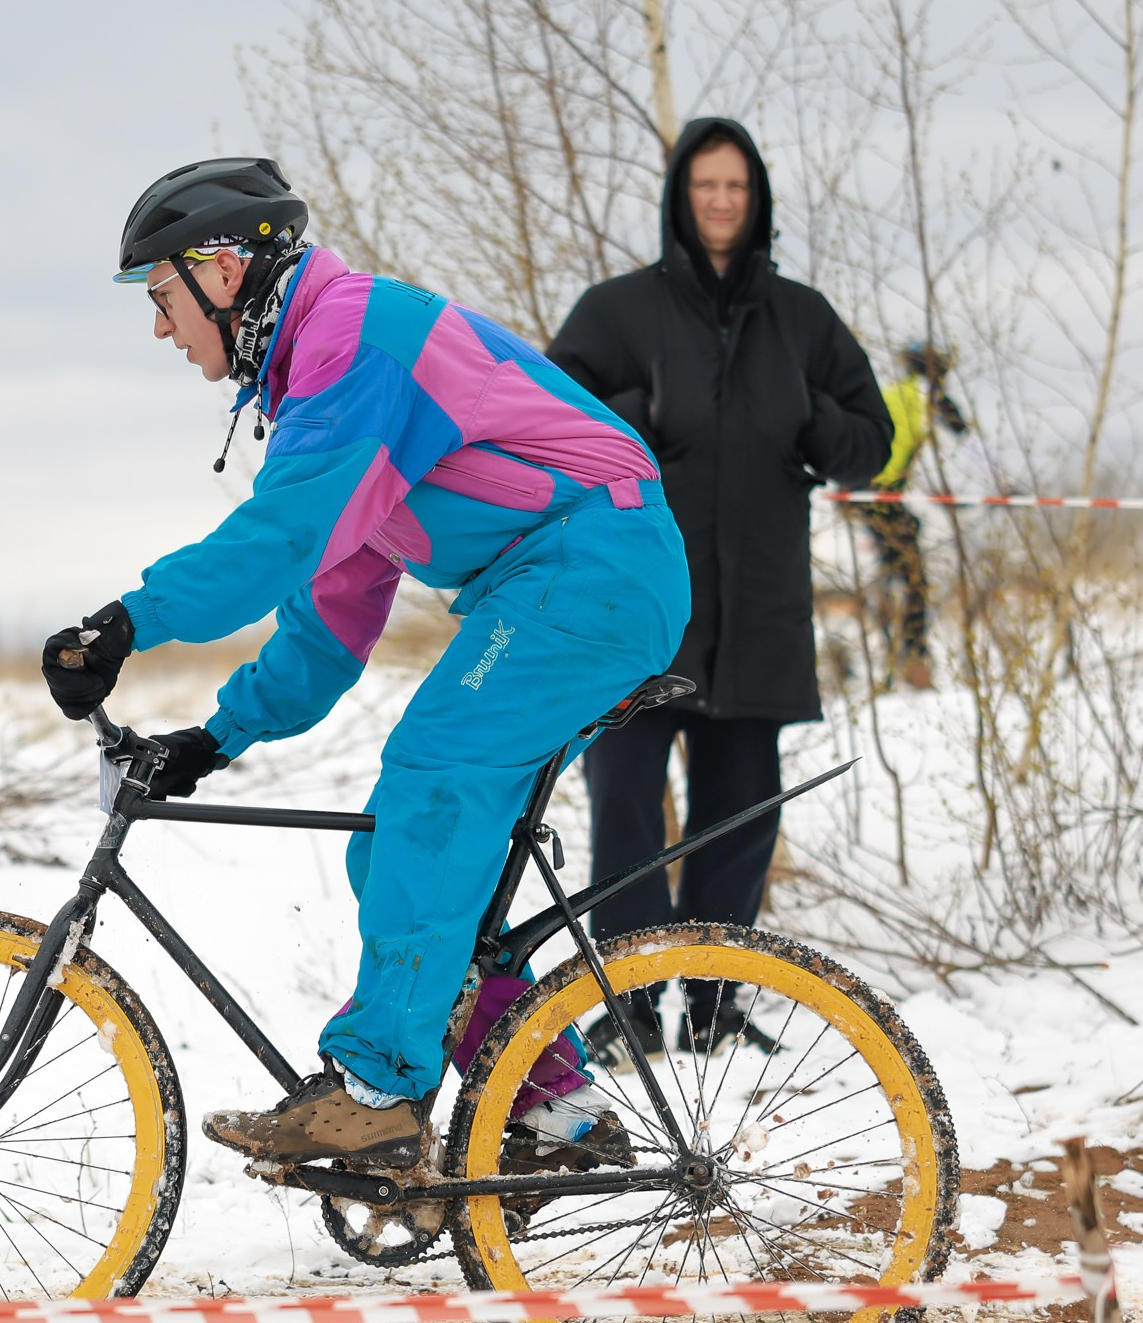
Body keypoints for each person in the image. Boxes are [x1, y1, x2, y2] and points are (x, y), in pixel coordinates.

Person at [40, 157, 690, 1168]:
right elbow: (327, 623)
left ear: (221, 270)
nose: (160, 330)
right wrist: (215, 739)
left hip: (593, 567)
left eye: (162, 298)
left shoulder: (355, 341)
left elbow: (284, 536)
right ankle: (556, 1107)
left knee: (435, 776)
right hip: (569, 578)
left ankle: (378, 1089)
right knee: (393, 848)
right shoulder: (316, 381)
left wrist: (128, 621)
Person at [545, 119, 890, 1063]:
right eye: (706, 185)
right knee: (623, 807)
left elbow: (873, 439)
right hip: (639, 614)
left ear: (759, 197)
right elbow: (547, 410)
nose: (723, 201)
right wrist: (634, 416)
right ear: (680, 196)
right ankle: (625, 1005)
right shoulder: (619, 312)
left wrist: (806, 413)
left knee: (739, 816)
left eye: (738, 186)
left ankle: (713, 1004)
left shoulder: (802, 319)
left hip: (759, 616)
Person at [852, 338, 969, 691]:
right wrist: (1004, 484)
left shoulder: (893, 391)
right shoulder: (927, 395)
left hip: (864, 492)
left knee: (898, 569)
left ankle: (896, 657)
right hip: (882, 496)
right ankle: (910, 659)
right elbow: (964, 438)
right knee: (914, 582)